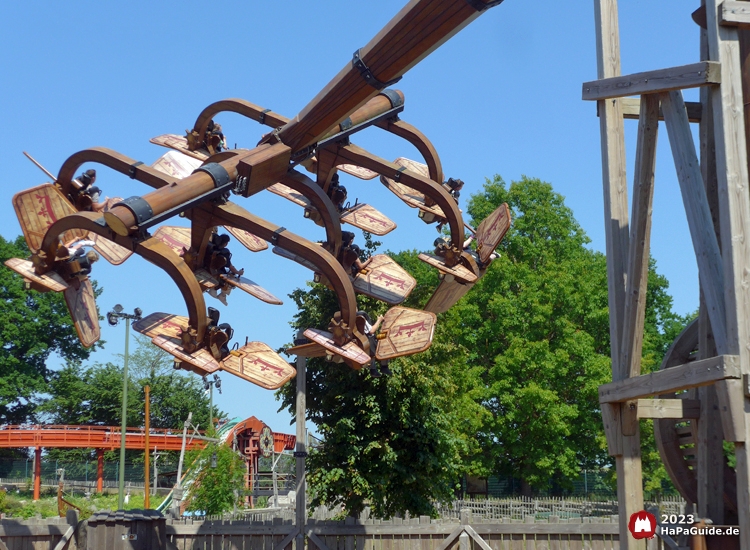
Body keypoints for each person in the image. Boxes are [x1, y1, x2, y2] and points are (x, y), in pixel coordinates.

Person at [205, 233, 244, 306]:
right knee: (232, 278)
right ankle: (222, 295)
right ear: (225, 243)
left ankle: (213, 290)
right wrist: (239, 272)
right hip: (216, 272)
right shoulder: (224, 252)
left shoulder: (211, 247)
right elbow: (230, 267)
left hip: (206, 268)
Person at [356, 311, 390, 377]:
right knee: (381, 350)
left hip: (364, 340)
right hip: (368, 339)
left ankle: (375, 370)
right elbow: (371, 330)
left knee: (372, 355)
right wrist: (379, 320)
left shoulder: (352, 320)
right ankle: (383, 367)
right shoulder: (360, 318)